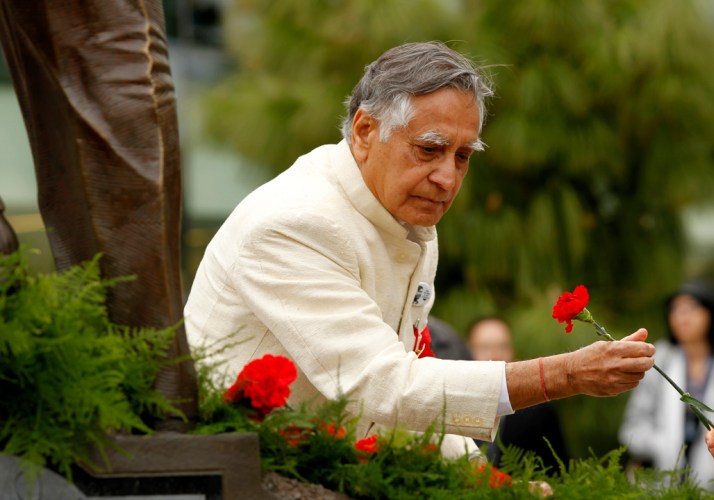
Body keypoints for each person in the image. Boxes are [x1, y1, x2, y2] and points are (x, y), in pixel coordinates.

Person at [185, 41, 656, 460]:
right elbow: (384, 385)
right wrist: (564, 374)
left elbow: (412, 394)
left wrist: (484, 481)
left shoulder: (405, 218)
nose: (447, 179)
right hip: (235, 473)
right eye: (429, 150)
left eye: (463, 156)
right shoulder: (295, 222)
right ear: (365, 131)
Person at [618, 279, 714, 492]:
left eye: (691, 308)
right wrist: (663, 446)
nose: (681, 316)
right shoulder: (658, 358)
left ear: (710, 312)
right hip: (667, 483)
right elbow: (632, 427)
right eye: (675, 310)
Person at [467, 317, 569, 473]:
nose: (494, 355)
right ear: (467, 352)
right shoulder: (452, 404)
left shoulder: (539, 410)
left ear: (513, 352)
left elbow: (557, 468)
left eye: (502, 347)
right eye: (484, 347)